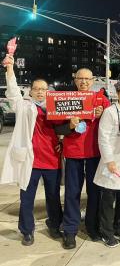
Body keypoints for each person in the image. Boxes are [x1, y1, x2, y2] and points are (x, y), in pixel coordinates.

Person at [0, 55, 63, 246]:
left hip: (52, 159)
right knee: (27, 198)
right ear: (30, 91)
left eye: (43, 89)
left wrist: (62, 139)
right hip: (31, 161)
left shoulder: (56, 108)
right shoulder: (24, 106)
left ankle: (54, 225)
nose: (40, 92)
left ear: (48, 91)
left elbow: (64, 128)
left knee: (53, 198)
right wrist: (10, 68)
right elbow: (12, 92)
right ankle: (27, 231)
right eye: (36, 89)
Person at [56, 68, 111, 249]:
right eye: (80, 78)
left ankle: (92, 226)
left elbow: (112, 126)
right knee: (72, 194)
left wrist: (102, 115)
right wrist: (69, 126)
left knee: (95, 193)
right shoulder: (66, 99)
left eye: (87, 79)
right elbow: (58, 129)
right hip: (73, 154)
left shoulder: (102, 100)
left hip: (96, 154)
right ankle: (70, 231)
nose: (84, 82)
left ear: (93, 80)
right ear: (75, 79)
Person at [93, 78, 120, 247]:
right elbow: (102, 138)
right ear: (118, 93)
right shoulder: (110, 112)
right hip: (113, 163)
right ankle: (107, 233)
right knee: (108, 202)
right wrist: (109, 161)